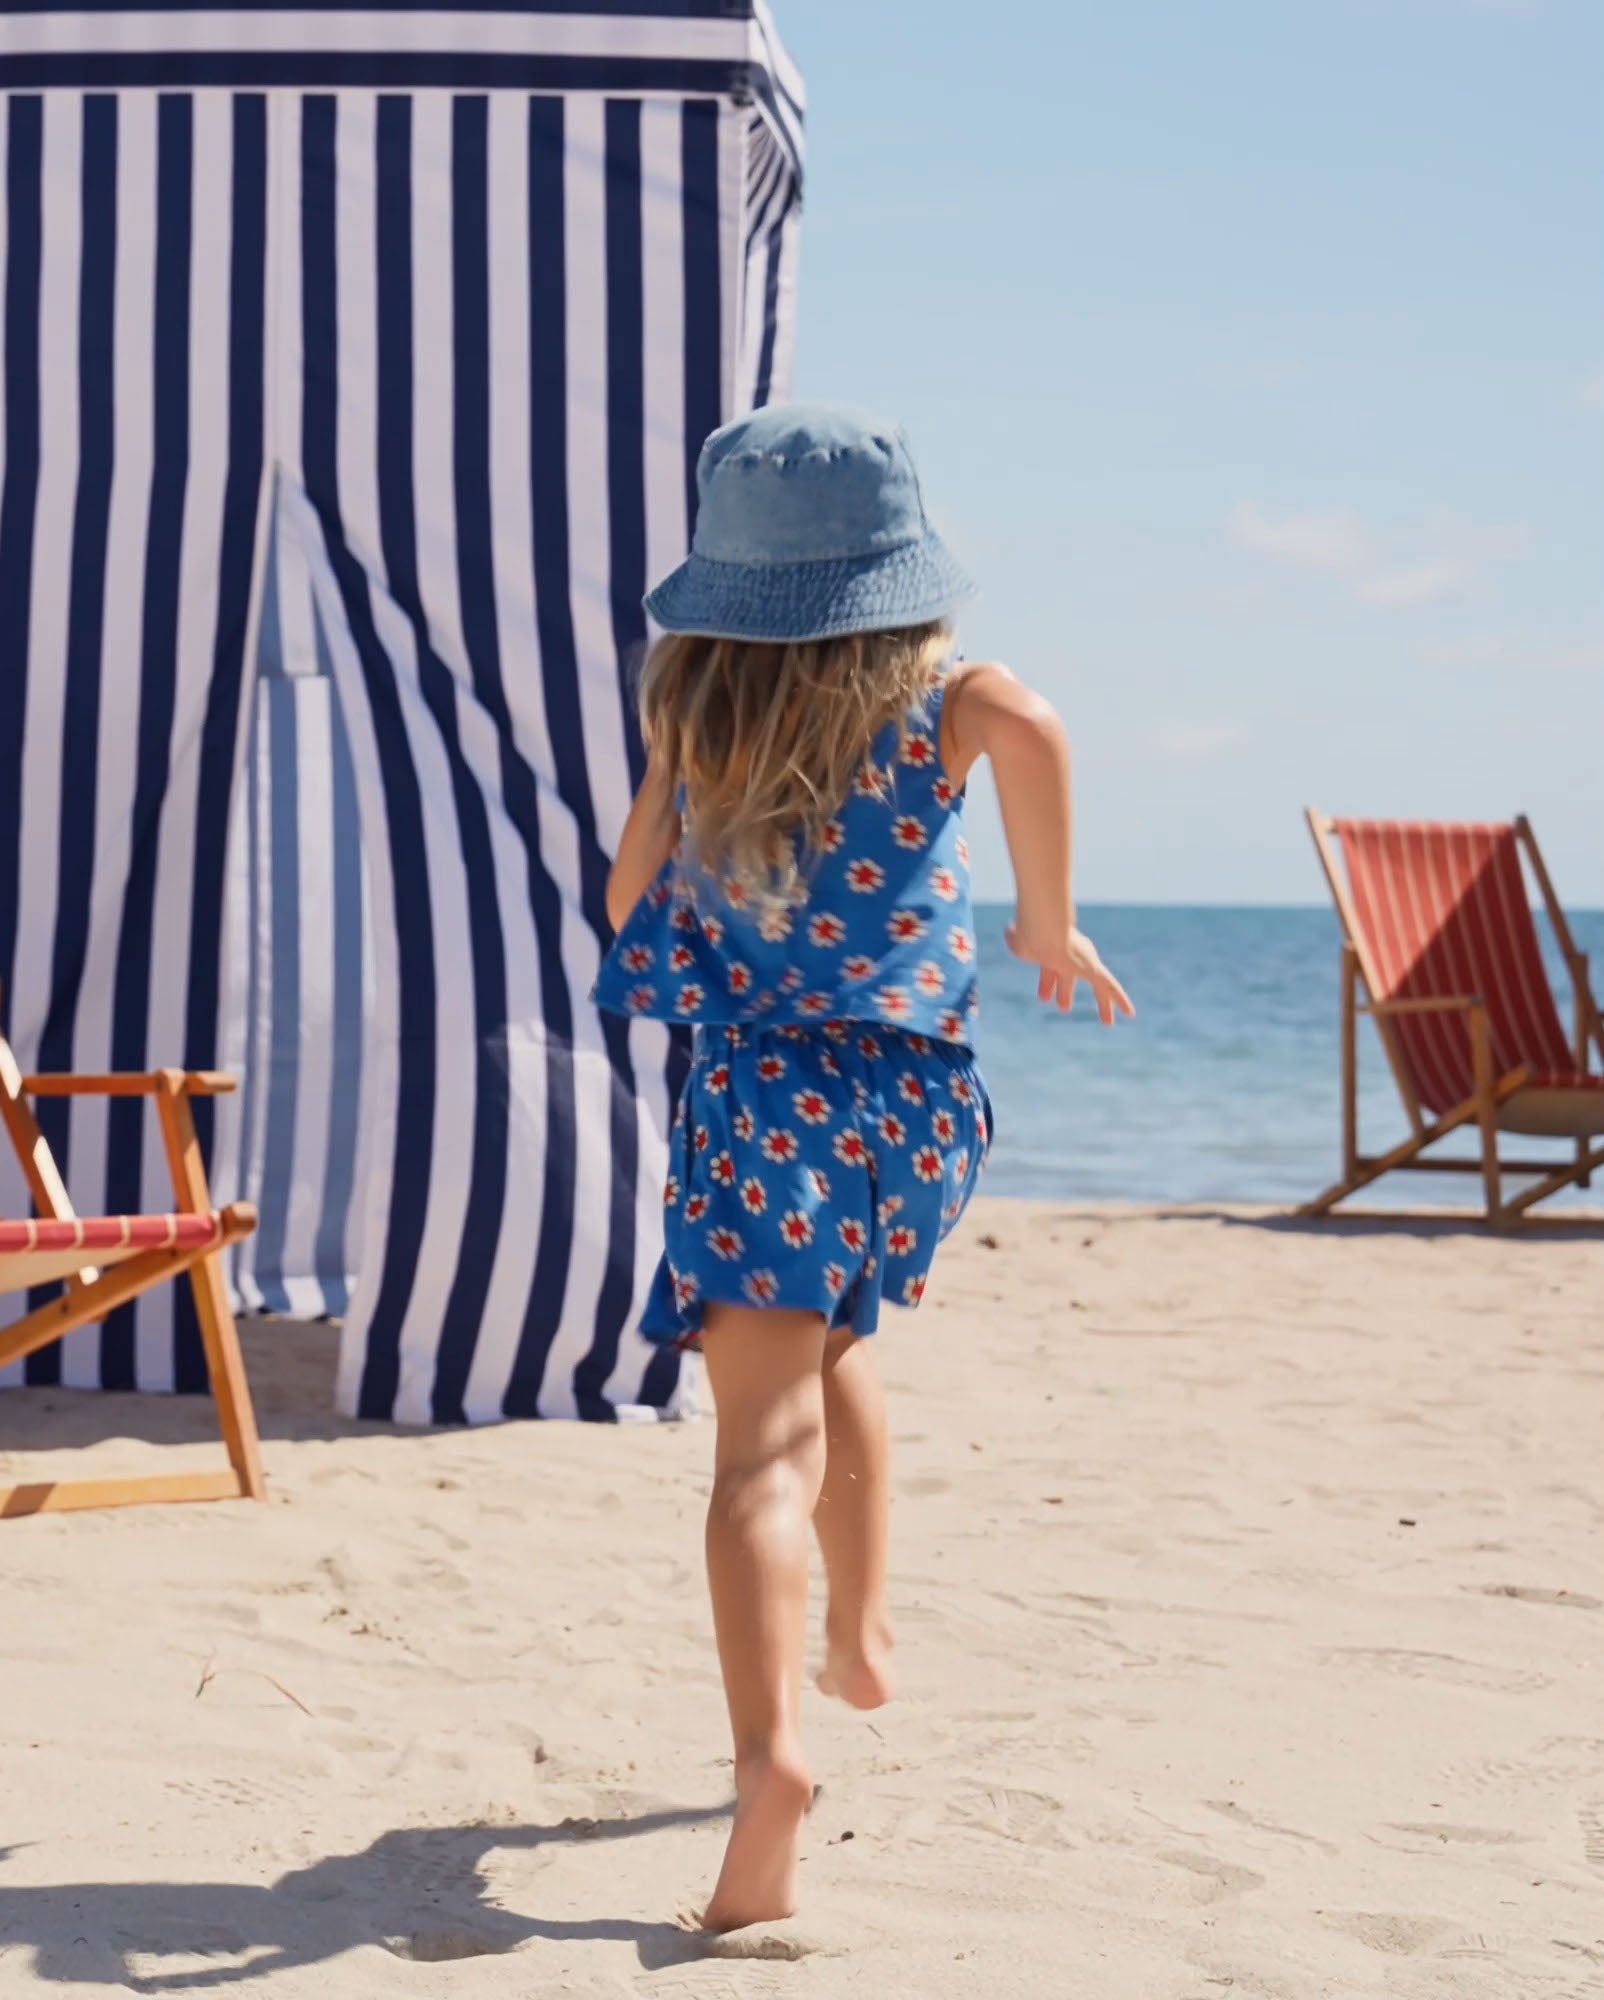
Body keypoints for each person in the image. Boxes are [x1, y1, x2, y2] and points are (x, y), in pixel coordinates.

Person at [594, 405, 1132, 1933]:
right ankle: (865, 1633)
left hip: (761, 1104)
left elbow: (628, 902)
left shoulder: (700, 724)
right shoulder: (948, 703)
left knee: (758, 1454)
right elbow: (1034, 722)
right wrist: (1045, 918)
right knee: (836, 1333)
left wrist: (691, 823)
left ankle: (772, 1756)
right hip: (917, 1109)